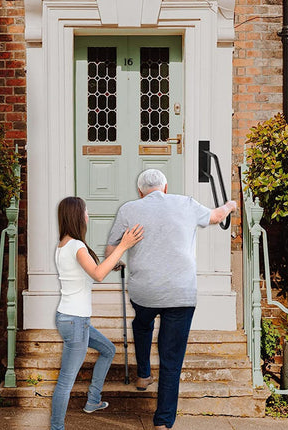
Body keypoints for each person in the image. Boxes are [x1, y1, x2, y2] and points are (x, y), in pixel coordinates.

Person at [105, 169, 237, 430]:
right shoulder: (186, 203)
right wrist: (231, 204)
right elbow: (216, 216)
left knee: (141, 323)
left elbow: (112, 248)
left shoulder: (129, 208)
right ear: (166, 188)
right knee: (171, 359)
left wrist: (118, 261)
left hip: (144, 291)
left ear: (140, 192)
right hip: (180, 293)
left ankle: (143, 375)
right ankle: (163, 423)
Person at [50, 196, 143, 430]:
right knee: (66, 380)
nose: (88, 216)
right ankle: (56, 427)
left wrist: (113, 262)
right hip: (75, 321)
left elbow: (91, 272)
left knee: (108, 349)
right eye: (86, 212)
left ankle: (92, 401)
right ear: (76, 216)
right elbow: (98, 275)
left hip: (71, 318)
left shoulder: (64, 244)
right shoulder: (77, 246)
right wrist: (123, 245)